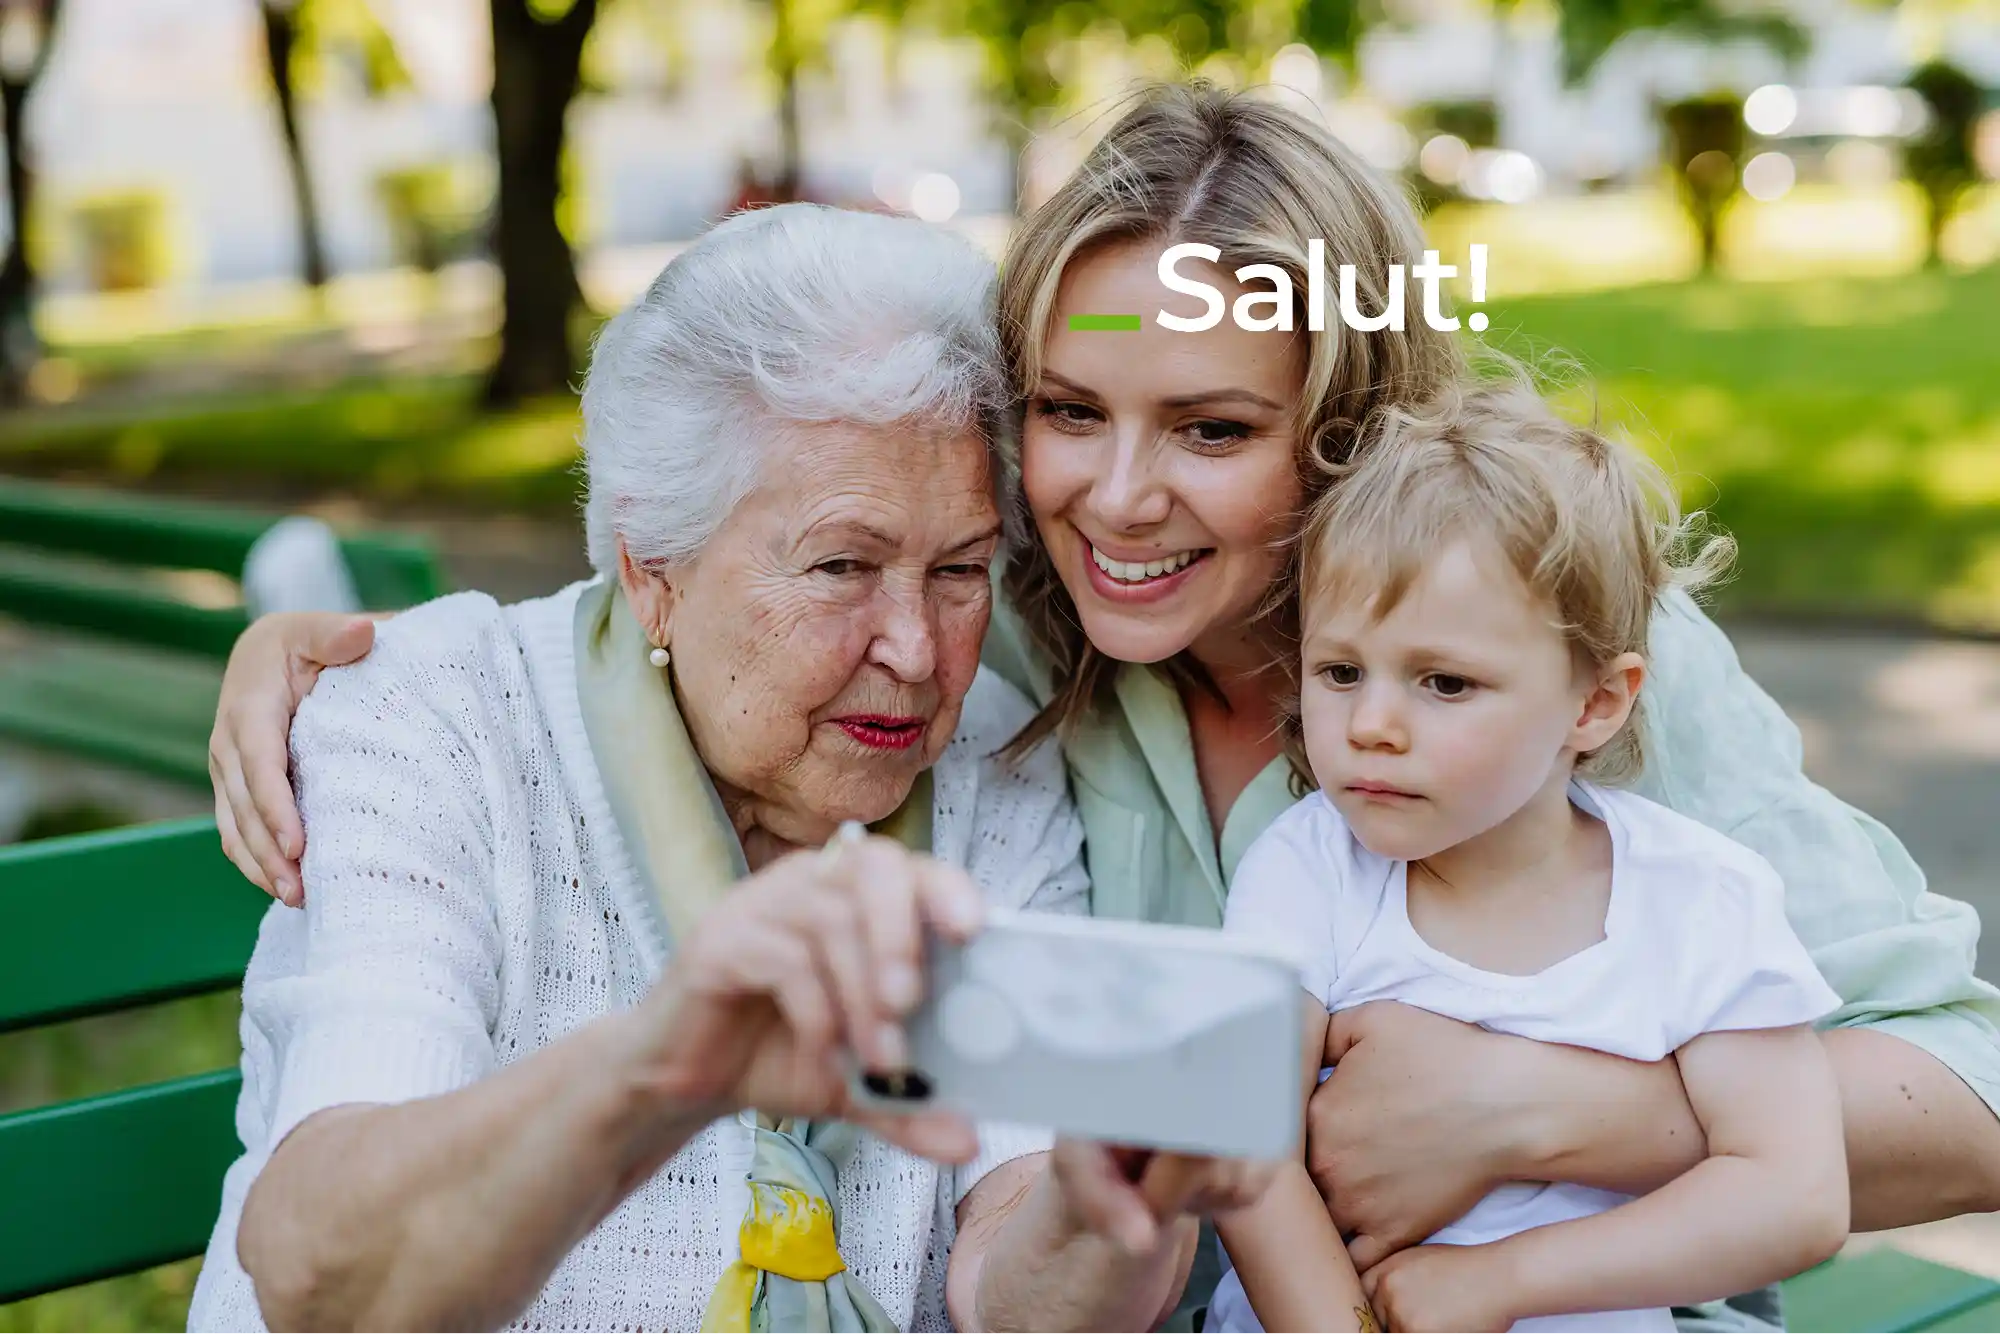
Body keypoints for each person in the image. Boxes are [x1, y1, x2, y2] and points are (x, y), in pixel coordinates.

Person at [206, 83, 2000, 1333]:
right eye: (1070, 410)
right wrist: (353, 655)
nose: (1117, 500)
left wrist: (1545, 1107)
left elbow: (1972, 1085)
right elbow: (721, 583)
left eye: (1213, 430)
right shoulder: (1010, 650)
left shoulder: (1551, 660)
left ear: (1345, 430)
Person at [185, 204, 1273, 1334]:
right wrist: (671, 1063)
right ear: (649, 566)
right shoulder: (432, 722)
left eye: (956, 569)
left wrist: (1103, 1218)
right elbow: (323, 1277)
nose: (912, 647)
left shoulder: (991, 762)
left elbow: (1014, 1273)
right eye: (842, 565)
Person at [1214, 381, 1849, 1334]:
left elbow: (1793, 1192)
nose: (1372, 726)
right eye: (1341, 671)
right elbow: (1247, 1159)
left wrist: (1503, 1280)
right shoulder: (1307, 874)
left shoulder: (1697, 900)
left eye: (1444, 682)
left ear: (1596, 703)